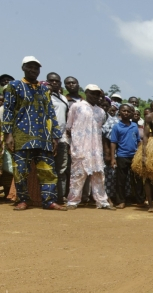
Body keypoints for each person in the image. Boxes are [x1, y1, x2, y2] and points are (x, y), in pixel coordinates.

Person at [2, 56, 66, 210]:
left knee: (48, 170)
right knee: (21, 170)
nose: (33, 70)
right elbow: (8, 110)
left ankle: (49, 201)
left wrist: (55, 137)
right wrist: (8, 134)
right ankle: (24, 199)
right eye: (29, 66)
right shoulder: (14, 86)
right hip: (21, 135)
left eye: (36, 67)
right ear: (23, 68)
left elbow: (50, 113)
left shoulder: (44, 90)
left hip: (43, 136)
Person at [65, 84, 115, 210]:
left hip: (96, 149)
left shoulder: (101, 112)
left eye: (97, 94)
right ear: (86, 92)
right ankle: (73, 201)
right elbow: (69, 127)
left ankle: (102, 201)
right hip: (80, 147)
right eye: (92, 93)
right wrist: (72, 145)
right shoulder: (77, 106)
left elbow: (100, 131)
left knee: (98, 174)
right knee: (78, 175)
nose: (94, 96)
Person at [109, 104, 142, 208]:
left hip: (134, 156)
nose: (126, 113)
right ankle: (121, 201)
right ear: (120, 112)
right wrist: (113, 158)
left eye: (128, 111)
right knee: (121, 180)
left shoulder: (134, 126)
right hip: (122, 156)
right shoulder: (116, 127)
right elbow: (113, 142)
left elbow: (138, 141)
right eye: (124, 111)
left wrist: (140, 154)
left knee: (138, 179)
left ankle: (140, 200)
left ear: (131, 113)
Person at [47, 72, 70, 204]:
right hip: (47, 138)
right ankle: (47, 197)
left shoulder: (63, 98)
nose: (54, 83)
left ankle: (60, 196)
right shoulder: (44, 97)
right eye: (51, 81)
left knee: (61, 169)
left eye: (57, 81)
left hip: (61, 139)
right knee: (47, 169)